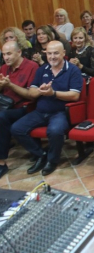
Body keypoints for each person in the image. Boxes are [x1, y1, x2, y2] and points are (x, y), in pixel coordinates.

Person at [11, 41, 83, 176]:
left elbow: (74, 95)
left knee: (55, 131)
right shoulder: (42, 69)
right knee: (16, 128)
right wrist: (40, 90)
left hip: (60, 112)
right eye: (49, 53)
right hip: (40, 111)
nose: (52, 57)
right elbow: (31, 93)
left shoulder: (73, 70)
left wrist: (53, 93)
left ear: (63, 53)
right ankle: (41, 154)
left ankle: (52, 160)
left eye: (56, 53)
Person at [0, 41, 38, 179]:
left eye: (9, 54)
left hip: (25, 107)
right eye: (4, 54)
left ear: (19, 52)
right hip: (6, 105)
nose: (6, 57)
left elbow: (30, 95)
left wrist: (10, 84)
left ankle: (2, 163)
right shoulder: (4, 68)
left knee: (2, 117)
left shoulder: (32, 67)